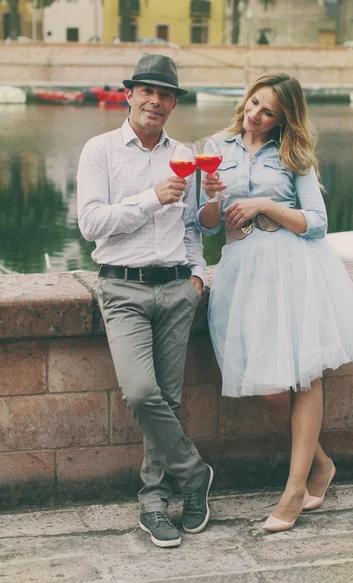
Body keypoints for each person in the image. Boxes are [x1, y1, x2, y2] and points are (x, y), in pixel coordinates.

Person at [196, 73, 353, 532]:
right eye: (254, 102)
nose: (256, 114)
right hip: (241, 270)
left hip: (294, 267)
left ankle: (294, 490)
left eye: (269, 110)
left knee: (304, 375)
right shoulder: (215, 147)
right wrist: (213, 198)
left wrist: (264, 205)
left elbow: (316, 222)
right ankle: (320, 465)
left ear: (284, 118)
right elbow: (209, 227)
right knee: (270, 387)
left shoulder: (293, 156)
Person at [77, 54, 213, 548]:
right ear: (129, 94)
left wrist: (196, 276)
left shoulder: (186, 154)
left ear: (174, 102)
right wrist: (151, 198)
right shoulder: (100, 150)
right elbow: (90, 223)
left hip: (177, 287)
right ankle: (196, 474)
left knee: (170, 401)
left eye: (165, 94)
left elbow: (194, 226)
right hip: (122, 288)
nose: (155, 101)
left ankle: (155, 503)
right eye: (146, 91)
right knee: (141, 393)